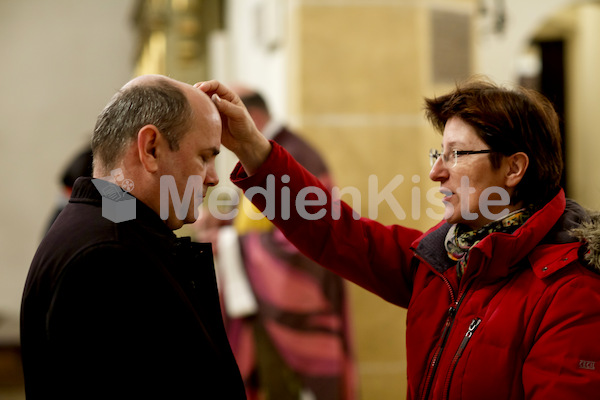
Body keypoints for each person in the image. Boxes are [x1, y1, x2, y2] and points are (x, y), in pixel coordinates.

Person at [195, 77, 600, 399]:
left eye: (456, 155)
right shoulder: (445, 260)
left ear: (513, 169)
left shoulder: (571, 293)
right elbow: (337, 232)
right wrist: (250, 146)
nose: (436, 173)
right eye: (437, 154)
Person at [21, 75, 246, 399]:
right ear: (150, 149)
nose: (213, 178)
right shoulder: (107, 257)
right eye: (205, 157)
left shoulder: (113, 226)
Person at [194, 88, 356, 400]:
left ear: (248, 116)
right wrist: (223, 220)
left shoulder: (293, 154)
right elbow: (260, 212)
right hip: (261, 297)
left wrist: (230, 245)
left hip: (290, 300)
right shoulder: (266, 153)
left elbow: (310, 235)